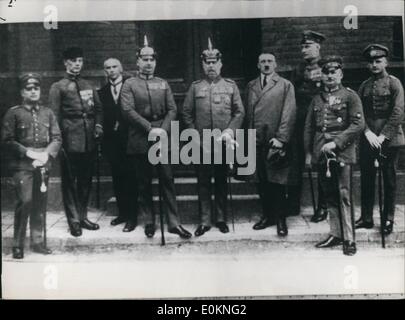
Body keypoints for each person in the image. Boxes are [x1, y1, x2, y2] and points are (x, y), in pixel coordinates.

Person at [120, 36, 191, 239]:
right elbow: (128, 111)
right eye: (144, 59)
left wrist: (163, 130)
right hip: (140, 137)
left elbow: (172, 109)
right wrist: (149, 128)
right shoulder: (129, 84)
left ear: (155, 61)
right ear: (138, 61)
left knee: (167, 179)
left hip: (162, 137)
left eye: (152, 59)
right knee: (143, 182)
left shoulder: (163, 83)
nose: (148, 63)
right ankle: (149, 221)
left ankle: (173, 222)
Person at [182, 38, 245, 237]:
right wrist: (194, 136)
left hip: (223, 143)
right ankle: (204, 221)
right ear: (202, 65)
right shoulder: (195, 87)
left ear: (220, 64)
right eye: (207, 63)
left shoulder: (230, 86)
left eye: (214, 62)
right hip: (201, 144)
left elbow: (239, 112)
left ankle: (220, 218)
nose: (211, 66)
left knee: (220, 181)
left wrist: (229, 132)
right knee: (202, 182)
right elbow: (186, 113)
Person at [304, 56, 365, 255]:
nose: (330, 76)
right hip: (321, 152)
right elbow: (309, 128)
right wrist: (308, 153)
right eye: (326, 72)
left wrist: (336, 143)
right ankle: (336, 234)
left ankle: (349, 239)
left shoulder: (350, 96)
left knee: (344, 194)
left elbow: (358, 125)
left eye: (334, 72)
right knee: (329, 195)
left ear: (341, 74)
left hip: (342, 152)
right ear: (321, 75)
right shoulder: (316, 98)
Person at [1, 73, 61, 259]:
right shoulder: (14, 113)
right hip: (22, 166)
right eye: (29, 88)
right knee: (25, 201)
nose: (33, 92)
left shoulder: (47, 113)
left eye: (36, 88)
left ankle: (38, 242)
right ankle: (18, 244)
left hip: (42, 164)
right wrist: (29, 153)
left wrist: (45, 154)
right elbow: (7, 140)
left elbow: (57, 137)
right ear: (22, 91)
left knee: (40, 204)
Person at [49, 47, 103, 237]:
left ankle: (83, 217)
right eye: (73, 61)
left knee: (85, 181)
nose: (77, 64)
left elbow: (98, 110)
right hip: (69, 139)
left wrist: (98, 127)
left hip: (88, 140)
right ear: (66, 63)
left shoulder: (88, 85)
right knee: (70, 182)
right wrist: (59, 141)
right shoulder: (59, 87)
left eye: (80, 60)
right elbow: (54, 116)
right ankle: (73, 221)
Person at [245, 52, 296, 236]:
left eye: (269, 61)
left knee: (278, 182)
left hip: (274, 141)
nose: (266, 64)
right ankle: (267, 216)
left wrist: (281, 138)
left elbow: (289, 113)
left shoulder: (285, 85)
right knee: (262, 181)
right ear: (258, 65)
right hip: (256, 139)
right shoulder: (251, 85)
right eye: (263, 62)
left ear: (276, 64)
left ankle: (281, 219)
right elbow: (248, 114)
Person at [356, 44, 405, 235]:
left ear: (386, 62)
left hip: (389, 139)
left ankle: (388, 219)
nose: (374, 65)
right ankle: (366, 217)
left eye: (378, 61)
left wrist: (384, 134)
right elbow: (358, 113)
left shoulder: (394, 83)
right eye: (371, 62)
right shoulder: (364, 86)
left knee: (389, 179)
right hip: (368, 139)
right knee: (367, 177)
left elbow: (399, 110)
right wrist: (367, 132)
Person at [289, 30, 329, 222]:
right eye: (302, 46)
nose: (303, 50)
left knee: (322, 162)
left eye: (308, 46)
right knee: (295, 161)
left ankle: (323, 206)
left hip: (319, 122)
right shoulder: (298, 69)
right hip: (299, 121)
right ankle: (293, 204)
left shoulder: (327, 68)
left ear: (318, 47)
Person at [98, 58, 138, 232]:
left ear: (121, 69)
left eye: (114, 67)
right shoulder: (102, 92)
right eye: (108, 68)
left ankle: (132, 217)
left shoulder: (131, 87)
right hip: (112, 143)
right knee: (118, 178)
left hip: (130, 139)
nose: (111, 70)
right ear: (105, 71)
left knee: (131, 179)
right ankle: (122, 213)